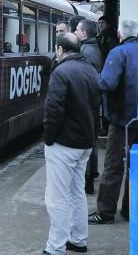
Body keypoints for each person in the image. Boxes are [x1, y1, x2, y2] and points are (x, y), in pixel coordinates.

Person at [42, 33, 100, 255]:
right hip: (85, 144)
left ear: (59, 49)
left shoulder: (61, 71)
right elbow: (96, 109)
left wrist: (49, 138)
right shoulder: (91, 70)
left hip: (64, 144)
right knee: (77, 192)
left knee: (57, 197)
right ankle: (78, 239)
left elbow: (53, 109)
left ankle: (55, 247)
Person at [88, 19, 138, 224]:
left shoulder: (118, 53)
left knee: (114, 165)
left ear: (120, 33)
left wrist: (93, 78)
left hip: (122, 119)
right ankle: (130, 209)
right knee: (136, 165)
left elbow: (107, 82)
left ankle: (105, 211)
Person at [74, 19, 103, 194]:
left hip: (87, 103)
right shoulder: (92, 49)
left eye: (77, 29)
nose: (75, 32)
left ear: (84, 33)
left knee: (87, 141)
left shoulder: (86, 52)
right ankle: (90, 175)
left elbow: (85, 80)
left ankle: (88, 180)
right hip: (91, 102)